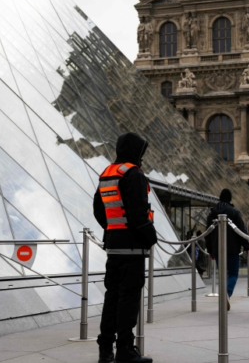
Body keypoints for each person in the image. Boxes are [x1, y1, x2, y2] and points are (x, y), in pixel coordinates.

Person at [94, 133, 158, 363]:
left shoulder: (107, 173)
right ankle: (125, 350)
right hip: (133, 248)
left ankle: (104, 350)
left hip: (113, 247)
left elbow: (99, 210)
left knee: (111, 299)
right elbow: (138, 213)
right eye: (142, 151)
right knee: (128, 301)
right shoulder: (134, 174)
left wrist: (112, 229)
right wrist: (150, 237)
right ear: (135, 150)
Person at [206, 188, 249, 304]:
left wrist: (210, 250)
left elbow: (207, 234)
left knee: (222, 274)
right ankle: (227, 292)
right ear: (230, 198)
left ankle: (224, 295)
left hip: (216, 248)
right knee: (233, 273)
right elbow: (241, 230)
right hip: (232, 248)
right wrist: (246, 246)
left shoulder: (212, 213)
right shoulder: (234, 212)